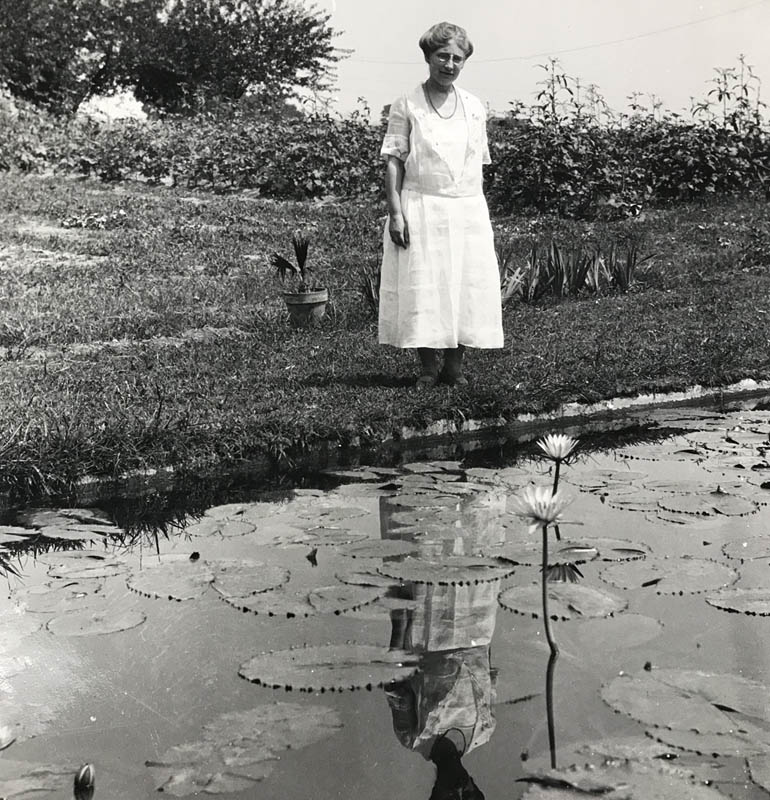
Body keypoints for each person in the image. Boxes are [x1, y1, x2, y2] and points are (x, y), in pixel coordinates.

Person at [379, 21, 504, 388]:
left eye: (457, 58)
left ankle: (455, 367)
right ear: (428, 57)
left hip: (465, 207)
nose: (449, 65)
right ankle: (428, 369)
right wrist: (396, 212)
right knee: (425, 283)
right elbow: (394, 159)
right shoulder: (407, 103)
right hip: (420, 203)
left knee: (463, 283)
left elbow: (473, 164)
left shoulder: (474, 107)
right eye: (442, 56)